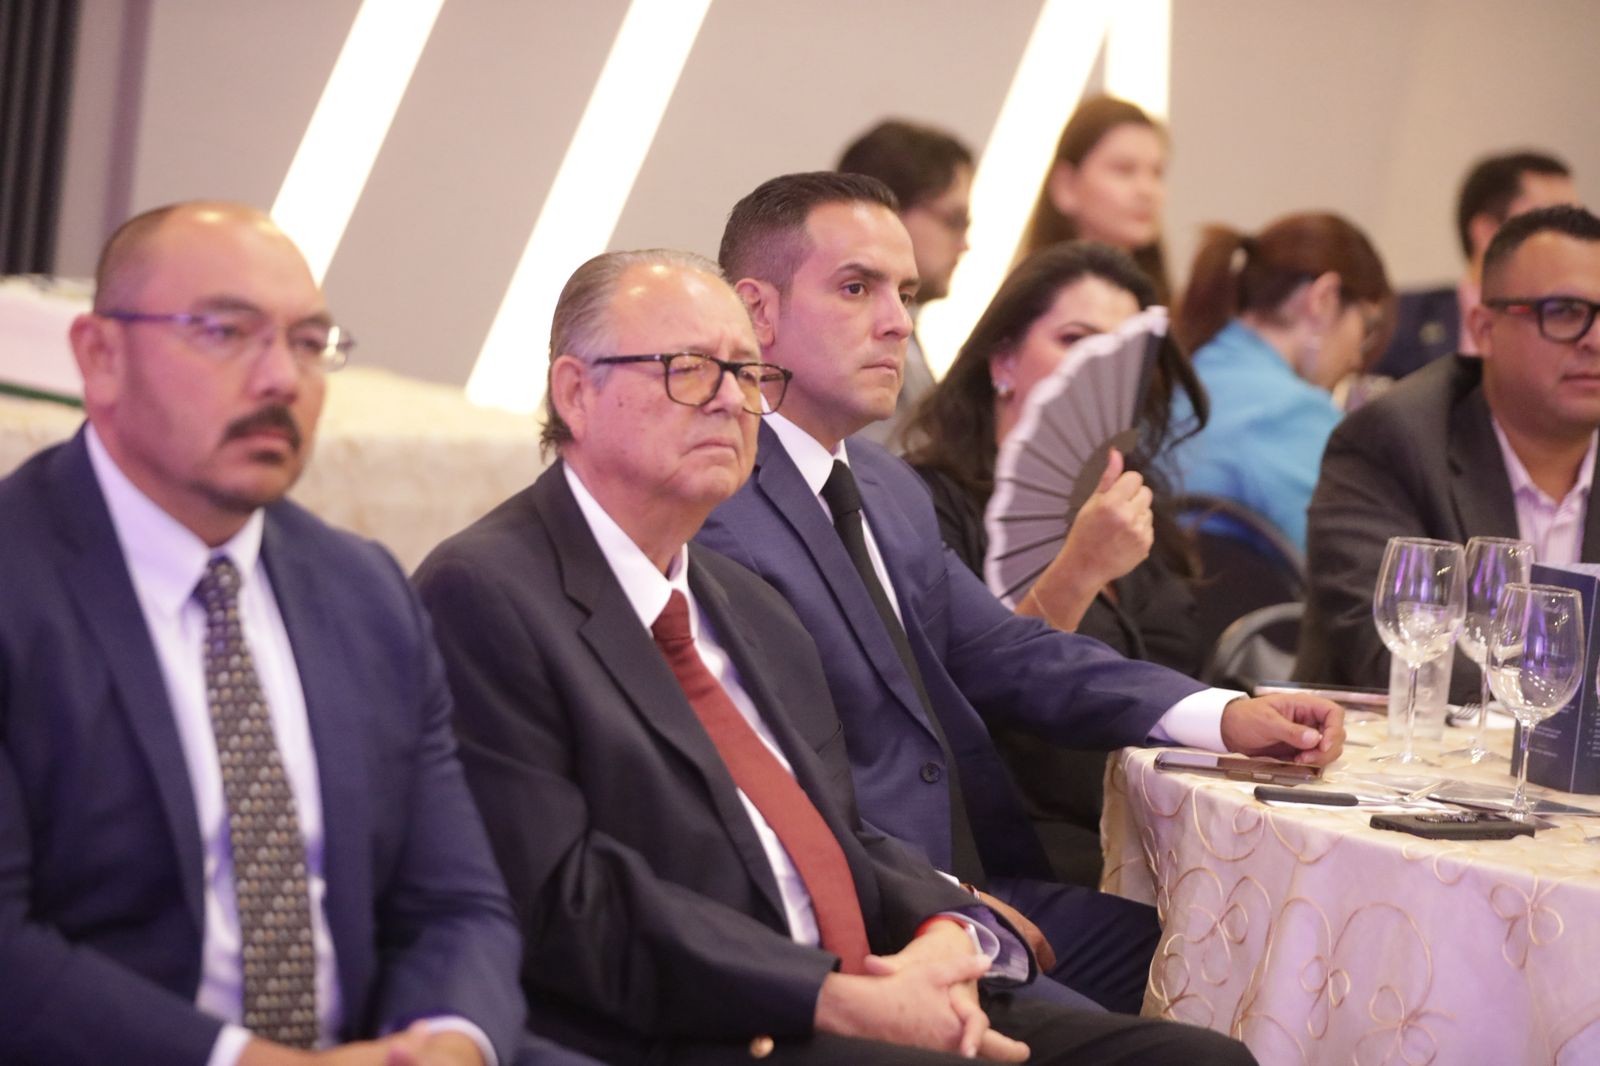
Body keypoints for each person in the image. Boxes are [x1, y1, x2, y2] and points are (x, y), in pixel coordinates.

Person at [413, 248, 1257, 1066]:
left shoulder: (744, 604)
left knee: (1200, 1056)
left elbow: (835, 830)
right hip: (711, 1022)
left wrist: (948, 928)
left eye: (747, 373)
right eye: (689, 370)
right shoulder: (488, 591)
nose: (731, 401)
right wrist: (836, 998)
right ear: (576, 391)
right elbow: (566, 902)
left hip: (866, 975)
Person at [696, 171, 1345, 1014]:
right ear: (757, 312)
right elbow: (776, 772)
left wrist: (1224, 714)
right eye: (857, 288)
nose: (897, 322)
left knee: (1260, 957)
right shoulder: (716, 502)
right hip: (869, 916)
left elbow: (1008, 650)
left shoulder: (885, 488)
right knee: (1200, 1031)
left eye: (906, 293)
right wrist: (945, 902)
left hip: (978, 874)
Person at [0, 202, 576, 1065]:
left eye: (308, 343)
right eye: (225, 332)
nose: (280, 378)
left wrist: (447, 1042)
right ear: (100, 356)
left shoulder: (362, 590)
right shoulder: (20, 580)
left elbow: (456, 903)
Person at [899, 241, 1206, 885]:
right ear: (1003, 360)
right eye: (1076, 340)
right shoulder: (924, 502)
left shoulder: (1140, 500)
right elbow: (960, 713)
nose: (1101, 368)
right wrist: (1079, 571)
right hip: (1025, 852)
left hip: (1167, 835)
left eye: (1122, 353)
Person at [1297, 204, 1600, 701]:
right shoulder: (1391, 440)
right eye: (1564, 312)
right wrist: (1566, 699)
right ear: (1484, 329)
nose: (1595, 340)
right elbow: (1394, 657)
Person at [1164, 212, 1394, 552]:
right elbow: (1348, 559)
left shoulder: (1181, 374)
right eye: (1368, 326)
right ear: (1324, 298)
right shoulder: (1295, 413)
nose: (1357, 359)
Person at [1374, 151, 1576, 380]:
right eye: (1550, 225)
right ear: (1487, 232)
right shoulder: (1400, 319)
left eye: (1577, 225)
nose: (1572, 242)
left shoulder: (1582, 329)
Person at [837, 119, 975, 448]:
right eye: (954, 221)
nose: (964, 244)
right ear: (888, 213)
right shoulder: (850, 335)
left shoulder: (907, 334)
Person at [1015, 95, 1171, 305]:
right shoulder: (1030, 310)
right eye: (1124, 170)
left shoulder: (1169, 312)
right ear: (1066, 185)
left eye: (1157, 172)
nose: (1147, 190)